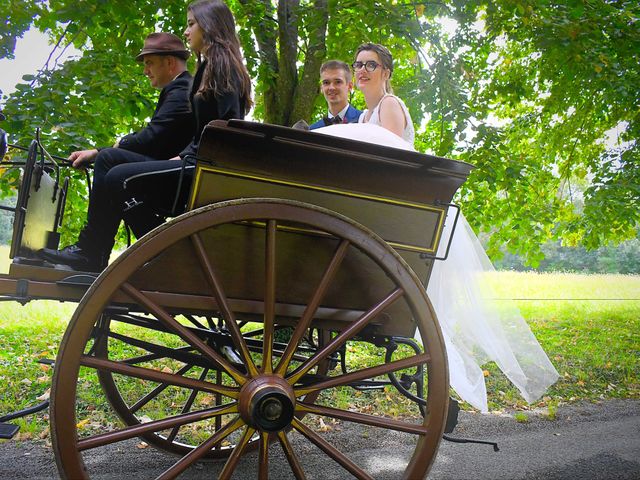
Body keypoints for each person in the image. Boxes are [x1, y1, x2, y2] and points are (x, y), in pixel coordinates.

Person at [314, 43, 559, 413]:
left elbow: (395, 163)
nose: (362, 71)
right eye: (358, 64)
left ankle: (441, 383)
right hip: (377, 205)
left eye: (370, 65)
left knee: (437, 315)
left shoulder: (389, 107)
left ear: (386, 72)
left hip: (401, 208)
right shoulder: (364, 118)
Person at [40, 0, 252, 273]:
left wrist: (188, 156)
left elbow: (225, 129)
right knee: (109, 161)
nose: (186, 33)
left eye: (191, 24)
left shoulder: (222, 68)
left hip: (204, 172)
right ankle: (93, 250)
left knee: (117, 175)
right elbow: (204, 131)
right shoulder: (209, 69)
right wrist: (185, 153)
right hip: (194, 163)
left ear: (209, 26)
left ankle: (163, 250)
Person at [68, 32, 194, 167]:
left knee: (108, 158)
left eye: (149, 63)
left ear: (169, 62)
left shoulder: (182, 88)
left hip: (181, 174)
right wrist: (96, 152)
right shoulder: (181, 88)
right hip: (172, 168)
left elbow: (152, 137)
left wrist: (118, 145)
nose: (145, 71)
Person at [309, 60, 362, 130]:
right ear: (321, 87)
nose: (331, 87)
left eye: (338, 82)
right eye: (326, 82)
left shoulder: (363, 121)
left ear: (350, 86)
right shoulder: (313, 130)